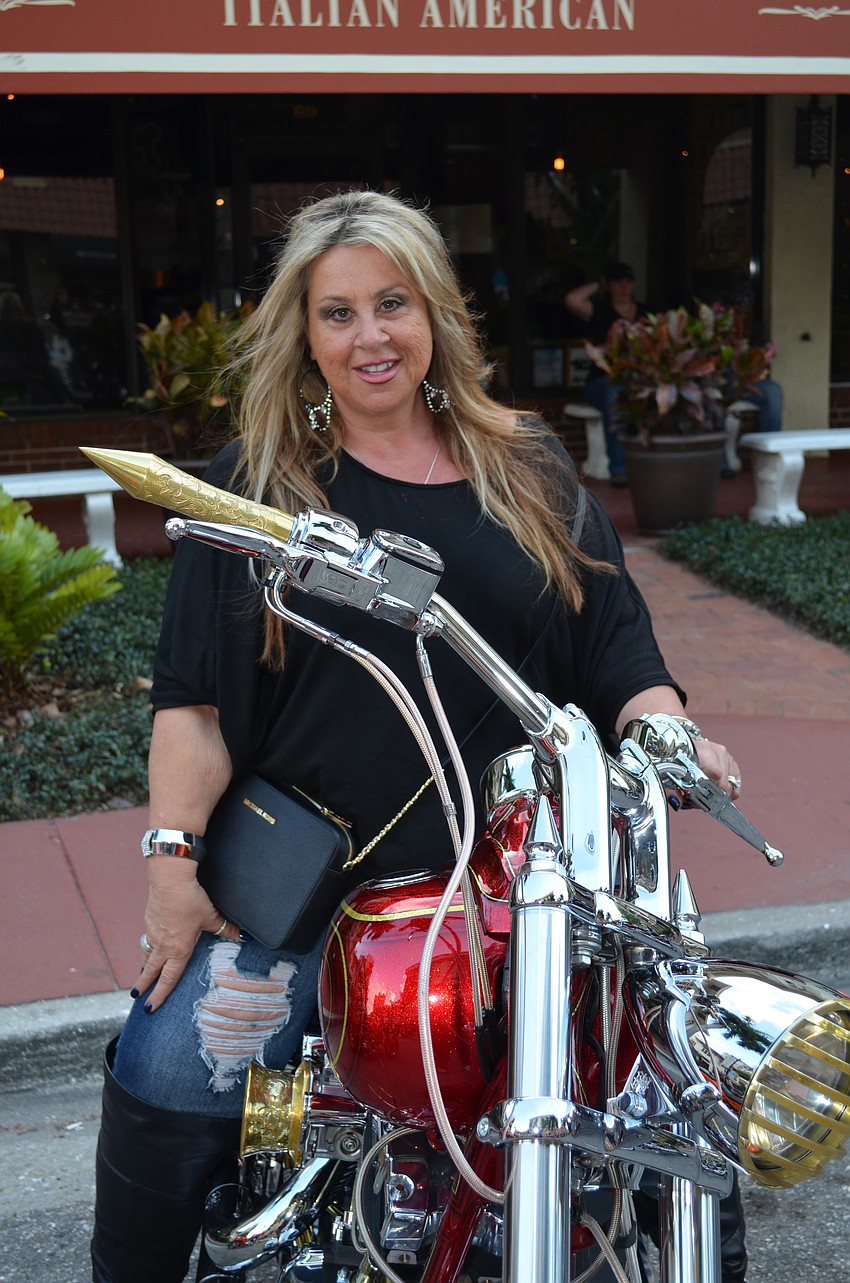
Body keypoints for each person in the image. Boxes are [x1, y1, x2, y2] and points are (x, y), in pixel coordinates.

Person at [90, 191, 744, 1283]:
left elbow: (619, 654)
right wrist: (170, 860)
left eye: (391, 303)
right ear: (305, 334)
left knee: (672, 1095)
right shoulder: (258, 494)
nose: (369, 336)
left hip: (513, 893)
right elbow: (193, 703)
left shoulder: (526, 467)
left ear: (434, 312)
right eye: (337, 312)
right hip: (308, 894)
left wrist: (671, 733)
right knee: (169, 1071)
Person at [565, 262, 649, 486]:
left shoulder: (645, 312)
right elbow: (573, 300)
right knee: (616, 394)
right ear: (609, 285)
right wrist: (599, 285)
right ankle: (619, 468)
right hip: (602, 380)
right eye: (617, 282)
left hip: (640, 379)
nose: (623, 286)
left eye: (627, 281)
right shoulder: (599, 310)